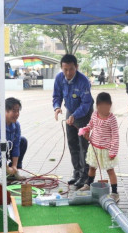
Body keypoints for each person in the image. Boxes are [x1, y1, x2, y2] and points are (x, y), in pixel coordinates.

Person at [53, 54, 94, 189]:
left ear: (76, 67)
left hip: (84, 113)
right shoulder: (59, 78)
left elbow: (86, 103)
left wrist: (75, 116)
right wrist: (57, 107)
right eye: (65, 69)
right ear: (61, 68)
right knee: (72, 143)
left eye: (71, 69)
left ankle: (85, 176)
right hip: (70, 111)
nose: (68, 73)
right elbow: (57, 95)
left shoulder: (83, 81)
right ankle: (76, 173)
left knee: (83, 146)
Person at [78, 92, 120, 202]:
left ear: (110, 105)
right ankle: (88, 184)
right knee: (92, 167)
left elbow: (115, 136)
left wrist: (113, 151)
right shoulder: (94, 114)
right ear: (97, 106)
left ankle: (115, 192)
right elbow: (90, 125)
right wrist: (85, 130)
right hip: (94, 147)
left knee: (110, 170)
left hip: (106, 149)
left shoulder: (112, 119)